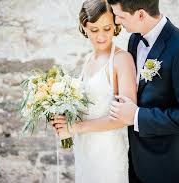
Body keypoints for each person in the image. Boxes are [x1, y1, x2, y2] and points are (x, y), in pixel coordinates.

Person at [107, 0, 179, 182]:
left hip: (168, 164)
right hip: (137, 160)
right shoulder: (135, 39)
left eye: (120, 16)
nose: (116, 21)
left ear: (140, 14)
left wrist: (137, 116)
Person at [52, 0, 136, 183]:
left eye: (107, 28)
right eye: (94, 30)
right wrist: (63, 118)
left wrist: (76, 127)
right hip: (84, 150)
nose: (101, 37)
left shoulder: (122, 60)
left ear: (115, 25)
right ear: (84, 27)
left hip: (108, 154)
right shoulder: (88, 59)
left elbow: (125, 118)